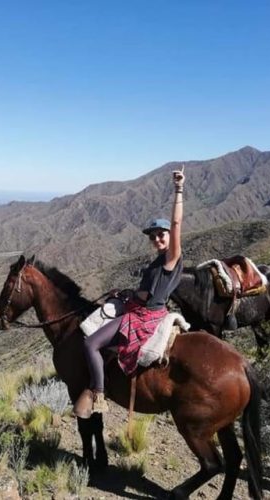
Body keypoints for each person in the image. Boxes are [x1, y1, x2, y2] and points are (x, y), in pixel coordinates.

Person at [76, 165, 185, 415]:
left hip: (142, 317)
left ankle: (99, 394)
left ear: (170, 237)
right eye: (153, 236)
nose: (157, 239)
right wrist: (129, 294)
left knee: (91, 344)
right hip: (146, 309)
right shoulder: (159, 261)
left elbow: (177, 222)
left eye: (162, 235)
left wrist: (178, 189)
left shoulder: (171, 258)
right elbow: (147, 292)